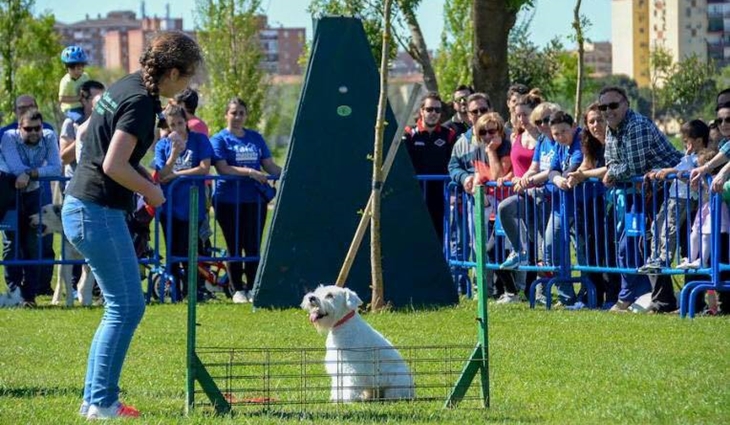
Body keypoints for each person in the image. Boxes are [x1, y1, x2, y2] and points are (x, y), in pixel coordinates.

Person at [62, 31, 202, 419]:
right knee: (126, 307)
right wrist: (152, 193)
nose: (188, 85)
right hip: (95, 209)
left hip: (85, 206)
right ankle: (103, 403)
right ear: (172, 71)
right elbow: (112, 165)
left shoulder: (127, 84)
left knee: (118, 307)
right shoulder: (141, 102)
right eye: (188, 77)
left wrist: (147, 180)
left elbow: (109, 150)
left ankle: (94, 400)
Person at [599, 86, 683, 313]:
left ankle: (675, 301)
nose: (608, 111)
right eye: (603, 107)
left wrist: (615, 174)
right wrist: (616, 172)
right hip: (646, 192)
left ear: (626, 104)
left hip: (675, 188)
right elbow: (612, 163)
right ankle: (652, 299)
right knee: (638, 244)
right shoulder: (611, 128)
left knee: (663, 242)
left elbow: (631, 167)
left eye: (613, 105)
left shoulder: (637, 125)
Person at [211, 97, 282, 304]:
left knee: (252, 245)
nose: (238, 117)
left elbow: (269, 166)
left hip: (254, 200)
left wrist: (288, 174)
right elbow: (223, 168)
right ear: (226, 115)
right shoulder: (219, 139)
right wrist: (251, 172)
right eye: (233, 113)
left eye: (241, 113)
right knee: (235, 245)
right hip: (228, 200)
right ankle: (237, 290)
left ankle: (252, 287)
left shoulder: (255, 138)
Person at [0, 109, 61, 308]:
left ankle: (29, 296)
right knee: (11, 243)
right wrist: (32, 174)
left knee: (33, 243)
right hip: (10, 195)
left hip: (33, 193)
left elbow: (56, 167)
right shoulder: (9, 138)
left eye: (38, 128)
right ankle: (14, 292)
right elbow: (15, 167)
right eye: (28, 129)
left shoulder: (49, 137)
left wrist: (32, 173)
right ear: (19, 128)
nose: (34, 132)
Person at [153, 104, 212, 299]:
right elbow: (162, 175)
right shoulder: (163, 145)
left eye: (180, 123)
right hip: (170, 207)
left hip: (193, 206)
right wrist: (174, 155)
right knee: (173, 251)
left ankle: (193, 292)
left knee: (191, 250)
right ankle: (175, 292)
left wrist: (177, 174)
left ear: (186, 121)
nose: (177, 128)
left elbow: (204, 168)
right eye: (172, 124)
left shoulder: (199, 140)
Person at [566, 102, 620, 308]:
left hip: (613, 205)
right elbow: (585, 165)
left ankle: (613, 296)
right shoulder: (589, 142)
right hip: (590, 205)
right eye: (591, 121)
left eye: (600, 119)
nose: (596, 125)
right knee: (589, 251)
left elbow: (610, 169)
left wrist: (582, 175)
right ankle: (593, 296)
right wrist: (574, 175)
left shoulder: (615, 140)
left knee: (609, 252)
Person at [639, 120, 708, 273]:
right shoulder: (689, 156)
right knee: (657, 224)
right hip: (673, 197)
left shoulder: (700, 159)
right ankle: (654, 257)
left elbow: (685, 173)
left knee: (669, 228)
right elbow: (677, 170)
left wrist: (670, 171)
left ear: (698, 141)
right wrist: (657, 172)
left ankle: (664, 258)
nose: (684, 145)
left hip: (684, 199)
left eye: (686, 141)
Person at [403, 92, 456, 242]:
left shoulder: (449, 135)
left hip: (441, 193)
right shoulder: (410, 134)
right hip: (416, 193)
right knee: (416, 234)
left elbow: (454, 164)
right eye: (429, 109)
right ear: (421, 111)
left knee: (440, 234)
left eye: (437, 110)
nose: (433, 113)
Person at [677, 149, 730, 270]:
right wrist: (682, 175)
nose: (699, 169)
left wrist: (702, 179)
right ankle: (690, 258)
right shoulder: (703, 178)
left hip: (716, 211)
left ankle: (703, 260)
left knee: (707, 235)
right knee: (694, 235)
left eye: (700, 166)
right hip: (704, 211)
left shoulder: (716, 179)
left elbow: (710, 188)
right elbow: (694, 185)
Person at [59, 80, 105, 178]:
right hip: (75, 182)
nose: (101, 102)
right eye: (96, 99)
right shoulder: (71, 123)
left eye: (104, 99)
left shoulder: (106, 122)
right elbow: (64, 159)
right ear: (84, 100)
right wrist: (83, 137)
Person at [58, 45, 90, 123]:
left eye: (79, 67)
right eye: (72, 67)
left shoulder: (85, 77)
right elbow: (61, 99)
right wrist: (77, 98)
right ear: (67, 67)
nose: (76, 71)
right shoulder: (66, 82)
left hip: (84, 105)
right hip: (71, 108)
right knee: (80, 119)